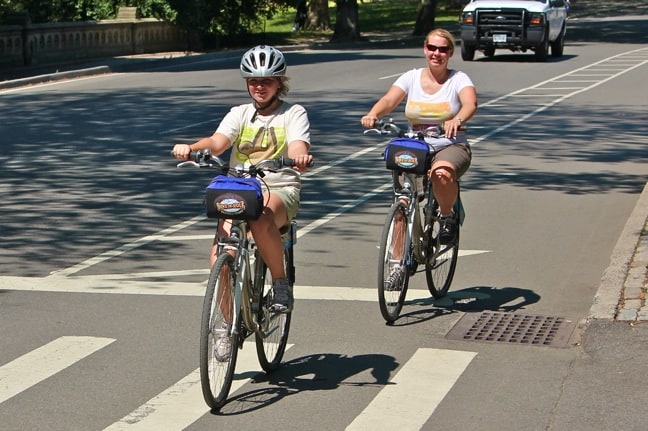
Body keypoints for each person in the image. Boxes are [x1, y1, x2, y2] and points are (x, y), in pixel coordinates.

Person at [172, 45, 313, 321]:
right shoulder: (239, 113)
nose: (259, 87)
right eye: (253, 81)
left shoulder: (293, 113)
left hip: (279, 187)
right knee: (220, 259)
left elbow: (298, 145)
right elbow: (217, 142)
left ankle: (281, 284)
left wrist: (299, 157)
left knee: (260, 217)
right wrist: (191, 147)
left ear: (279, 82)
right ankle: (225, 327)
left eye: (266, 81)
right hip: (240, 188)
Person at [361, 28, 477, 246]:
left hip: (449, 144)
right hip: (416, 145)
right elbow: (389, 100)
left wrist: (457, 120)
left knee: (441, 173)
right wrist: (373, 113)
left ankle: (447, 215)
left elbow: (470, 103)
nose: (436, 53)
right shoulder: (411, 77)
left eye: (442, 49)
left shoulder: (458, 79)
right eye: (432, 48)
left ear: (450, 53)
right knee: (402, 201)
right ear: (425, 49)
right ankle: (396, 268)